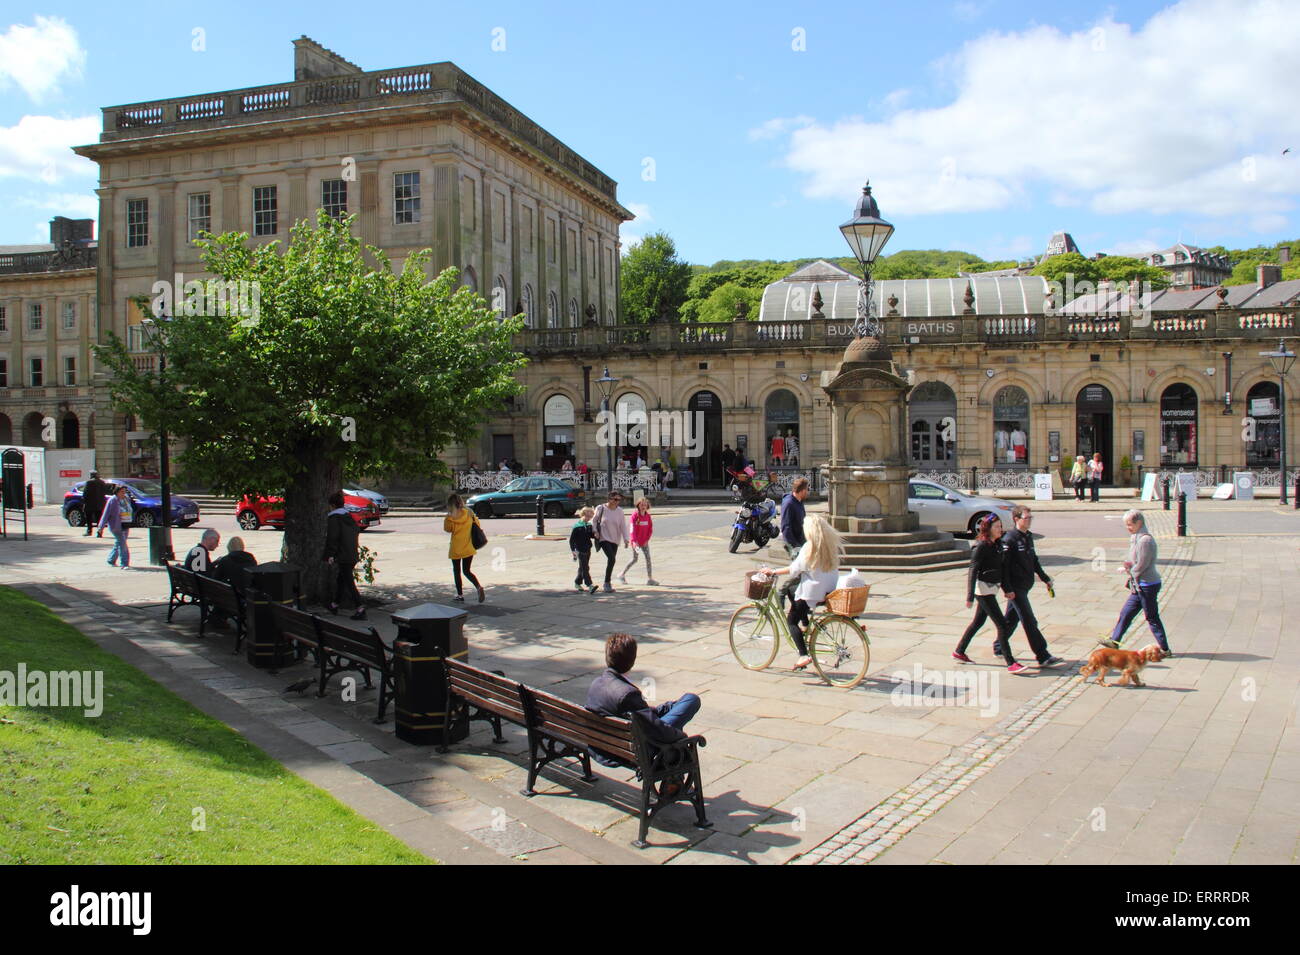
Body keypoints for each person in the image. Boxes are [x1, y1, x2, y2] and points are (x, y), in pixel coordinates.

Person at [586, 632, 700, 773]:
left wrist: (663, 710)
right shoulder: (627, 694)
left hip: (604, 745)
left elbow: (639, 715)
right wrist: (680, 737)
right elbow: (657, 730)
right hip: (637, 748)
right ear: (633, 660)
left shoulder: (596, 684)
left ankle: (674, 782)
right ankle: (674, 782)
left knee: (687, 700)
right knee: (692, 701)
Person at [760, 514, 841, 671]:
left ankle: (803, 655)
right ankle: (805, 624)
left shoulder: (809, 547)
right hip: (829, 590)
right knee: (792, 591)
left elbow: (793, 570)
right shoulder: (829, 546)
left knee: (790, 622)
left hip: (813, 592)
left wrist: (773, 571)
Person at [953, 514, 1029, 673]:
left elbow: (1002, 570)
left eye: (1000, 526)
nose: (1000, 529)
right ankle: (1010, 662)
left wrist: (1007, 589)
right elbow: (973, 570)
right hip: (983, 589)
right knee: (1002, 625)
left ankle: (959, 651)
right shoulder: (981, 546)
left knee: (978, 622)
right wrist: (970, 596)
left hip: (993, 587)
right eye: (996, 527)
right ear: (988, 529)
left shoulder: (998, 545)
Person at [999, 506, 1064, 667]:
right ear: (1016, 519)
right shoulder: (1009, 539)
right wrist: (1007, 589)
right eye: (1026, 518)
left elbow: (1034, 560)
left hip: (1025, 585)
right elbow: (1003, 567)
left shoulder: (1028, 536)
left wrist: (1045, 578)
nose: (1029, 520)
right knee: (1029, 620)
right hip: (1015, 587)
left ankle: (999, 646)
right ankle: (1042, 655)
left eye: (1030, 518)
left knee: (1011, 620)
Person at [1103, 509, 1171, 655]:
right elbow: (1135, 560)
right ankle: (1114, 642)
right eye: (1126, 525)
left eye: (1130, 525)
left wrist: (1130, 571)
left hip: (1148, 585)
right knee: (1126, 613)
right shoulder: (1135, 537)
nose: (1128, 528)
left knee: (1152, 617)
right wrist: (1127, 565)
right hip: (1139, 585)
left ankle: (1165, 649)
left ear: (1139, 523)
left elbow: (1143, 564)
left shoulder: (1145, 540)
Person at [324, 491, 367, 619]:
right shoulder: (349, 517)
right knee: (341, 579)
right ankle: (334, 604)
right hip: (351, 552)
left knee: (348, 582)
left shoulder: (334, 518)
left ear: (332, 505)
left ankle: (360, 608)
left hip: (342, 554)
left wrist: (330, 554)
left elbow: (333, 537)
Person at [443, 492, 485, 603]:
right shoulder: (468, 513)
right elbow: (477, 525)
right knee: (467, 571)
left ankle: (460, 595)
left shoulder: (450, 517)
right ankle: (478, 587)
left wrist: (449, 517)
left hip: (456, 548)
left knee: (457, 571)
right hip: (468, 547)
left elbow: (447, 529)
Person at [592, 491, 629, 593]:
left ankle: (607, 582)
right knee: (612, 559)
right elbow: (594, 520)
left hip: (615, 539)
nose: (617, 502)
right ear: (609, 499)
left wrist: (626, 539)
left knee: (611, 561)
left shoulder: (620, 511)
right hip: (603, 538)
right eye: (615, 499)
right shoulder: (601, 508)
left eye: (619, 500)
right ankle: (607, 582)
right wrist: (595, 531)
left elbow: (623, 526)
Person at [619, 496, 658, 586]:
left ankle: (650, 578)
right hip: (636, 543)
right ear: (638, 505)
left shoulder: (648, 516)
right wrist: (634, 541)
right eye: (641, 505)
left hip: (644, 542)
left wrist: (647, 540)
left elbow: (650, 529)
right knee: (635, 559)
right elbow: (632, 529)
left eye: (645, 505)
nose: (643, 506)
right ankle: (622, 574)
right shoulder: (635, 516)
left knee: (648, 558)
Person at [96, 485, 133, 569]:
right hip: (116, 526)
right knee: (122, 544)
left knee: (119, 543)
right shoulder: (113, 500)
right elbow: (106, 514)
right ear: (117, 492)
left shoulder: (126, 499)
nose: (124, 493)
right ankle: (124, 563)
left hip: (126, 524)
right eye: (122, 492)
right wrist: (100, 527)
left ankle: (111, 559)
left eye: (124, 492)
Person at [780, 476, 810, 560]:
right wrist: (795, 546)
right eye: (807, 490)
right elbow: (785, 527)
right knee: (799, 569)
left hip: (800, 541)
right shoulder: (789, 504)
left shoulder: (799, 501)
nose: (807, 492)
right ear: (803, 491)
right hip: (793, 544)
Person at [570, 505, 598, 594]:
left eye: (591, 516)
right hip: (579, 550)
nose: (590, 517)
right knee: (585, 568)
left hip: (587, 549)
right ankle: (590, 585)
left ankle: (577, 582)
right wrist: (573, 551)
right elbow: (572, 540)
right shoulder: (577, 526)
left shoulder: (588, 525)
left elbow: (590, 536)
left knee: (583, 567)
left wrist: (595, 535)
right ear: (584, 514)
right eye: (589, 515)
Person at [81, 471, 110, 537]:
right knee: (99, 519)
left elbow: (85, 493)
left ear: (91, 475)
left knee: (89, 519)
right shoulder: (102, 482)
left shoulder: (89, 482)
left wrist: (84, 501)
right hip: (100, 504)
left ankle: (89, 531)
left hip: (90, 504)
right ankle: (100, 532)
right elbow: (105, 492)